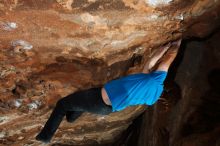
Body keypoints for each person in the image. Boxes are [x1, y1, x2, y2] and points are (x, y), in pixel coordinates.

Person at [35, 39, 182, 143]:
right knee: (82, 100)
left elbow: (165, 60)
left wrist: (174, 45)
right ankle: (72, 117)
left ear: (168, 86)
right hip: (105, 106)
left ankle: (45, 137)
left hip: (99, 100)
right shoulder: (151, 99)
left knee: (62, 104)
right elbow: (150, 64)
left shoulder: (157, 80)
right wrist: (162, 50)